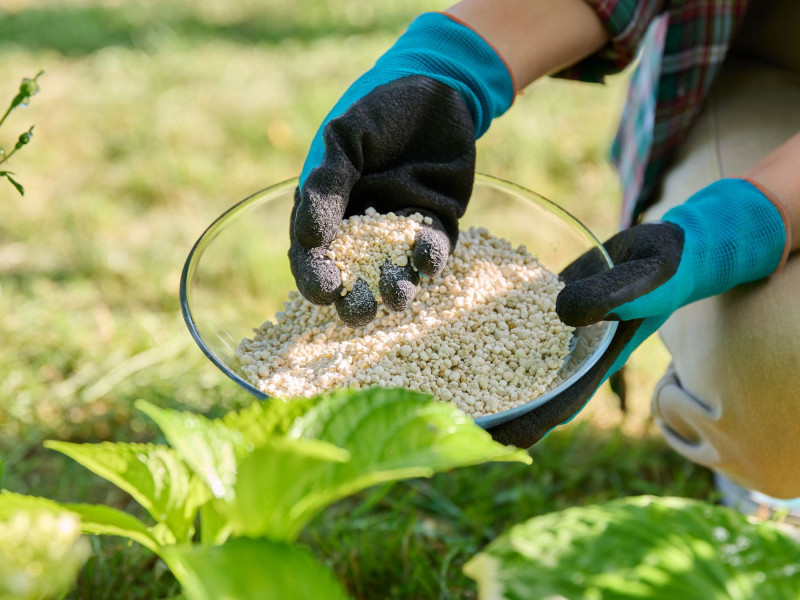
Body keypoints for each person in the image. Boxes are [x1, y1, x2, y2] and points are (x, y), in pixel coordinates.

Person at [288, 0, 800, 510]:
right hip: (756, 55)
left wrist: (735, 228)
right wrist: (450, 61)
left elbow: (734, 230)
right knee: (775, 386)